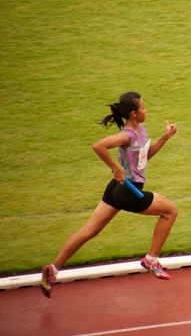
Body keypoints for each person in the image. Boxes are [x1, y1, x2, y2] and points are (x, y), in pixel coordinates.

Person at [40, 91, 179, 298]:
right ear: (133, 113)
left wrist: (165, 137)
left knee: (90, 230)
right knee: (170, 212)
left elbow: (145, 156)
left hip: (116, 189)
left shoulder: (142, 131)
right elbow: (99, 146)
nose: (146, 111)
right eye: (143, 108)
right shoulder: (127, 135)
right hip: (129, 191)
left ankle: (53, 269)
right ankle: (151, 259)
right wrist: (116, 167)